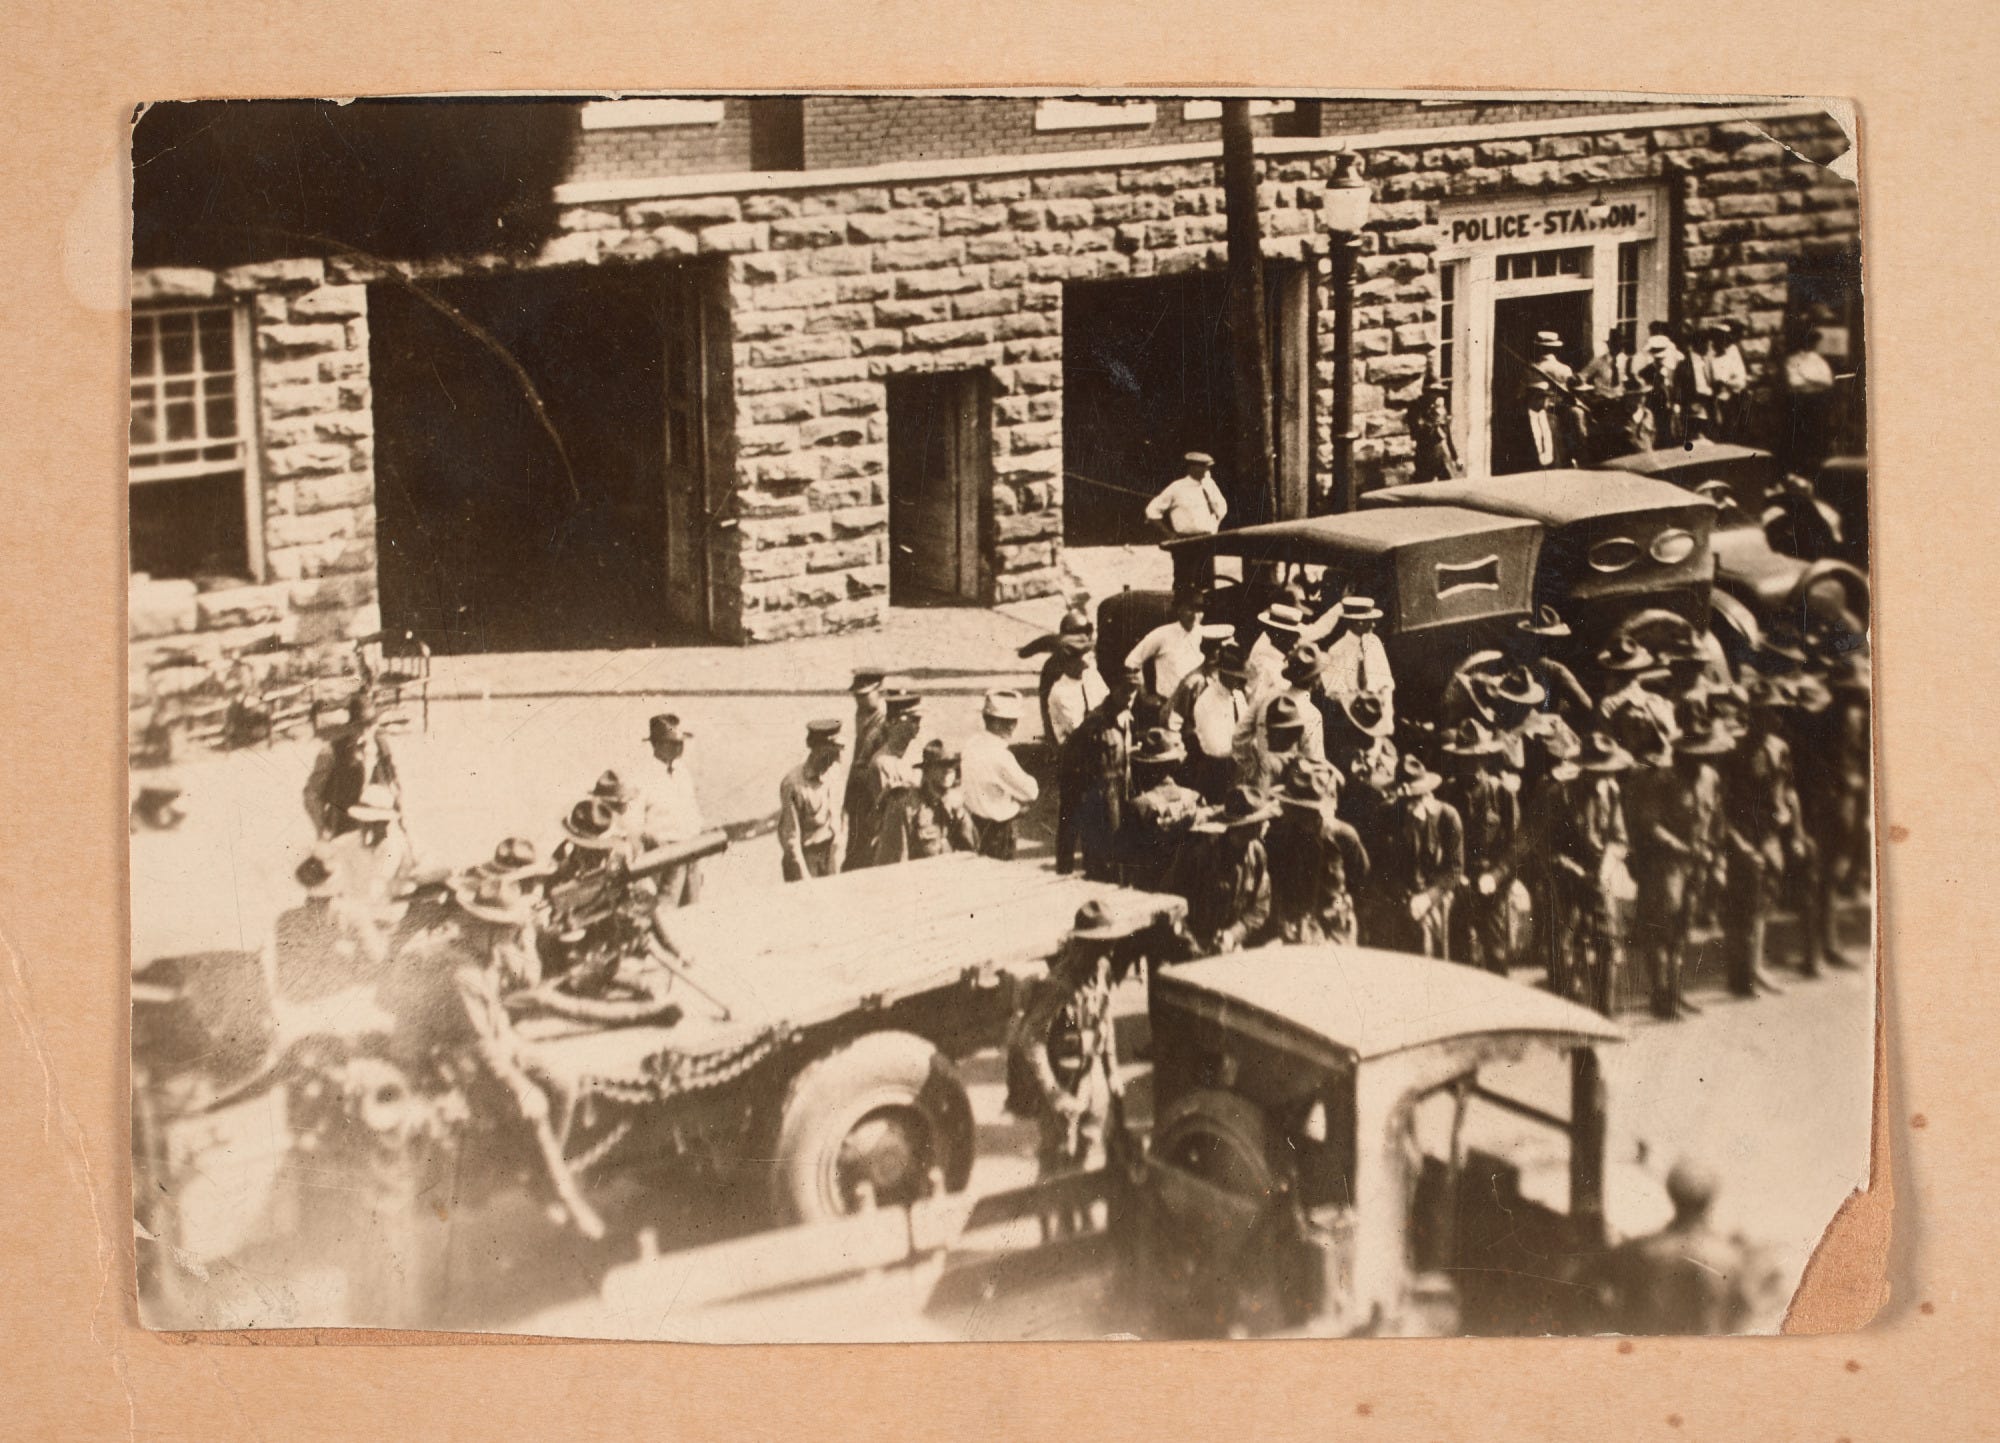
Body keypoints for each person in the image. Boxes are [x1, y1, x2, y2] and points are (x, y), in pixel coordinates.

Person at [1010, 900, 1139, 1236]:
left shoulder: (1102, 972)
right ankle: (1050, 1232)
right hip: (1062, 1078)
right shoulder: (1058, 985)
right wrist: (1054, 1094)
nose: (1107, 953)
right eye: (1100, 946)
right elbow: (1030, 1039)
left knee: (1086, 1148)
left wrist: (1112, 1073)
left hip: (1092, 1073)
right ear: (1081, 945)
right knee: (1055, 1159)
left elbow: (1105, 1020)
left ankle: (1077, 1219)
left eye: (1109, 946)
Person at [1582, 1160, 1783, 1335]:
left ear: (1671, 1194)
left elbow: (1594, 1297)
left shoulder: (1638, 1252)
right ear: (1710, 1199)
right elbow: (1744, 1321)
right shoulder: (1735, 1261)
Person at [1519, 731, 1630, 1013]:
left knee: (1608, 939)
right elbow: (1542, 843)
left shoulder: (1611, 792)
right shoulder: (1560, 794)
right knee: (1564, 945)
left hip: (1598, 875)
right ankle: (1564, 1009)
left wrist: (1605, 867)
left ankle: (1605, 1010)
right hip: (1564, 876)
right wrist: (1568, 867)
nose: (1601, 778)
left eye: (1606, 771)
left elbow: (1619, 839)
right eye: (1595, 772)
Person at [1719, 682, 1814, 995]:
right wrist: (1735, 839)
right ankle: (1742, 975)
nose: (1771, 717)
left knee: (1765, 901)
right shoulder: (1734, 750)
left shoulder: (1778, 747)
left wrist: (1797, 832)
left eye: (1774, 712)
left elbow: (1789, 790)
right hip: (1745, 832)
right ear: (1751, 714)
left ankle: (1755, 968)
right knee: (1743, 905)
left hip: (1772, 834)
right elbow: (1725, 800)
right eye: (1764, 712)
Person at [1621, 716, 1706, 1021]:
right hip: (1663, 865)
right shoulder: (1660, 781)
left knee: (1681, 931)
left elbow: (1711, 819)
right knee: (1660, 930)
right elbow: (1650, 824)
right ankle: (1661, 997)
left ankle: (1676, 993)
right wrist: (1680, 847)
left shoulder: (1706, 779)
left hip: (1694, 865)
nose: (1700, 761)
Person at [1441, 719, 1519, 975]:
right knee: (1460, 957)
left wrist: (1496, 878)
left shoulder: (1501, 794)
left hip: (1491, 884)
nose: (1471, 766)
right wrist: (1453, 879)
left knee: (1496, 955)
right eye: (1465, 760)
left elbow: (1515, 847)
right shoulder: (1449, 793)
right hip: (1459, 883)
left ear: (1486, 758)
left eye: (1476, 759)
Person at [1371, 756, 1464, 960]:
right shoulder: (1386, 814)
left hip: (1434, 898)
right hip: (1396, 901)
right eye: (1405, 799)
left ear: (1427, 794)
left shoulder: (1447, 817)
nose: (1410, 804)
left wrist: (1428, 897)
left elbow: (1455, 869)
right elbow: (1379, 866)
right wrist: (1398, 895)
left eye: (1416, 797)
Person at [1268, 759, 1370, 946]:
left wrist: (1338, 908)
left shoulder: (1344, 836)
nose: (1304, 819)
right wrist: (1283, 922)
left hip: (1336, 929)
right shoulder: (1281, 837)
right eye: (1298, 810)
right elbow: (1275, 886)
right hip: (1295, 928)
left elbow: (1360, 883)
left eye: (1309, 812)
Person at [268, 851, 388, 1009]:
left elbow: (283, 974)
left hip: (296, 1002)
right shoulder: (354, 914)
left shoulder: (285, 919)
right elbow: (376, 962)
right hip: (343, 1002)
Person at [1165, 785, 1276, 956]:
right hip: (1189, 947)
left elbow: (1260, 907)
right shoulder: (1199, 853)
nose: (1266, 825)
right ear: (1245, 827)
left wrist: (1232, 935)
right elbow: (1172, 904)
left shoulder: (1256, 853)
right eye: (1261, 821)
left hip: (1229, 948)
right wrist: (1194, 948)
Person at [1065, 664, 1141, 881]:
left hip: (1122, 795)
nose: (1130, 696)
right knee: (1101, 862)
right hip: (1100, 804)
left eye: (1134, 690)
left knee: (1120, 857)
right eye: (1125, 689)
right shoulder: (1094, 724)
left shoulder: (1126, 717)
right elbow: (1072, 766)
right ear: (1113, 687)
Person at [841, 692, 921, 871]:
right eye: (912, 721)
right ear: (894, 723)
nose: (917, 728)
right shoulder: (883, 763)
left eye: (919, 722)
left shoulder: (907, 755)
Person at [302, 692, 399, 841]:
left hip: (381, 830)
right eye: (360, 726)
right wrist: (322, 829)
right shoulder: (331, 752)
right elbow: (311, 795)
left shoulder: (381, 747)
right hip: (344, 832)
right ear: (351, 726)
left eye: (370, 725)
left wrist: (402, 823)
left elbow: (395, 787)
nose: (366, 732)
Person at [1120, 727, 1205, 896]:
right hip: (1188, 886)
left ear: (1143, 768)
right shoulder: (1195, 798)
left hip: (1149, 888)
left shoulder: (1138, 806)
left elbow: (1126, 858)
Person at [957, 690, 1039, 861]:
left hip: (973, 823)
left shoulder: (971, 745)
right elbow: (1031, 791)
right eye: (1008, 721)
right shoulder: (1000, 756)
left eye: (1013, 721)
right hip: (998, 830)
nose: (1012, 726)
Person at [1171, 638, 1255, 804]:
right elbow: (1216, 748)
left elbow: (1247, 727)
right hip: (1217, 774)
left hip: (1238, 770)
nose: (1240, 682)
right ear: (1222, 673)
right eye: (1235, 677)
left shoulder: (1238, 696)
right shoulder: (1207, 701)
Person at [635, 713, 706, 906]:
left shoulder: (682, 772)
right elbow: (635, 825)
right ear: (657, 744)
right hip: (663, 858)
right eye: (673, 743)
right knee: (666, 912)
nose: (679, 748)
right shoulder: (643, 777)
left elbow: (692, 811)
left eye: (680, 743)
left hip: (691, 853)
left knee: (693, 912)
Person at [874, 740, 980, 864]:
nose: (949, 770)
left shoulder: (954, 803)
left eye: (953, 765)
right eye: (942, 765)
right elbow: (896, 859)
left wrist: (960, 815)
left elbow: (972, 850)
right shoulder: (907, 805)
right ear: (927, 769)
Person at [1146, 451, 1229, 595]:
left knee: (1207, 584)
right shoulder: (1177, 488)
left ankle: (1207, 616)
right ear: (1192, 468)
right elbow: (1152, 511)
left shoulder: (1210, 485)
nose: (1207, 471)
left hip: (1206, 540)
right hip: (1185, 542)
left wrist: (1213, 527)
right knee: (1183, 584)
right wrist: (1170, 535)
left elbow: (1222, 508)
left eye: (1208, 467)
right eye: (1203, 467)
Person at [324, 782, 415, 912]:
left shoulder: (392, 844)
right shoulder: (355, 838)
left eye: (371, 821)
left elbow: (379, 882)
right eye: (364, 820)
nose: (365, 824)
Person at [778, 719, 846, 882]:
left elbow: (839, 817)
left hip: (830, 855)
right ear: (819, 750)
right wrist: (805, 881)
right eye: (833, 753)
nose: (838, 759)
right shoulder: (793, 784)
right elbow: (791, 840)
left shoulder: (834, 773)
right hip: (805, 862)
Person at [1315, 596, 1395, 730]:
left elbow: (1385, 680)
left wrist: (1386, 716)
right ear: (1358, 623)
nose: (1374, 625)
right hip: (1352, 717)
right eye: (1370, 621)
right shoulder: (1338, 650)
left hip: (1376, 712)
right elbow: (1333, 692)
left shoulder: (1373, 642)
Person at [1125, 587, 1212, 704]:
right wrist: (1145, 694)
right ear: (1179, 609)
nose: (1195, 615)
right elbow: (1131, 662)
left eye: (1199, 609)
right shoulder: (1162, 634)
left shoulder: (1200, 632)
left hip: (1197, 703)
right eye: (1190, 609)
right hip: (1170, 704)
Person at [1256, 642, 1328, 763]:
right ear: (1315, 679)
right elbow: (1315, 759)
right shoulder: (1312, 715)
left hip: (1262, 771)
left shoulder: (1269, 699)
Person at [1781, 327, 1838, 476]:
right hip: (1799, 403)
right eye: (1812, 341)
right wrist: (1814, 380)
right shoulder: (1793, 360)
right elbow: (1794, 382)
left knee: (1817, 436)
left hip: (1817, 402)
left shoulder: (1819, 360)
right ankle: (1799, 469)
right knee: (1800, 438)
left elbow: (1827, 380)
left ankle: (1817, 470)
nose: (1813, 345)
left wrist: (1807, 377)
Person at [1043, 621, 1107, 749]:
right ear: (1067, 662)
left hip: (1099, 736)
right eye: (1080, 658)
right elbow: (1078, 730)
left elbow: (1107, 700)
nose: (1087, 663)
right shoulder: (1060, 692)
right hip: (1075, 748)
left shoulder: (1091, 676)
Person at [1494, 376, 1576, 475]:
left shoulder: (1553, 420)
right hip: (1529, 473)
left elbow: (1560, 447)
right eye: (1544, 397)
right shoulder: (1519, 422)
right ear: (1534, 398)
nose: (1548, 401)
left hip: (1552, 472)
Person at [1407, 370, 1461, 482]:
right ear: (1426, 392)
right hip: (1425, 456)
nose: (1435, 395)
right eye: (1432, 392)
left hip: (1441, 456)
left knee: (1448, 486)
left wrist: (1456, 458)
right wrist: (1432, 421)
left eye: (1437, 392)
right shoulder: (1417, 410)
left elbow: (1447, 437)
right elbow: (1417, 433)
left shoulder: (1441, 411)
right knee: (1423, 487)